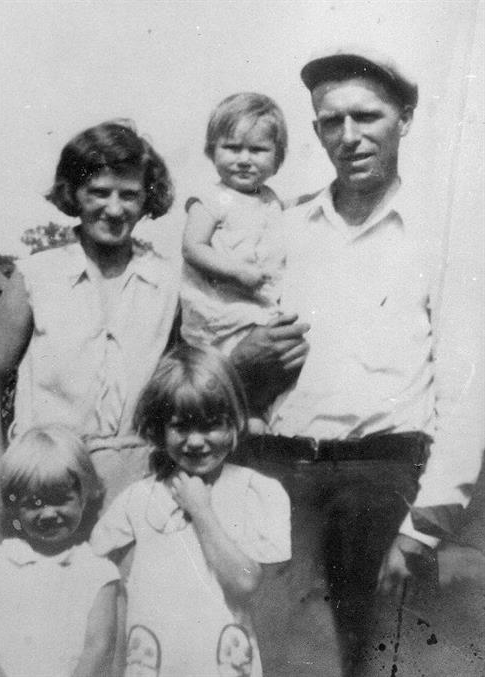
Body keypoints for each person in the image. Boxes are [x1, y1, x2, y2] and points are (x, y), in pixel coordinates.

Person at [237, 48, 484, 677]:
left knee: (376, 666)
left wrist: (422, 528)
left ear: (405, 119)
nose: (348, 136)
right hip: (280, 477)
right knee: (269, 661)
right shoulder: (285, 228)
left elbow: (467, 396)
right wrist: (241, 360)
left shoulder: (443, 236)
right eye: (331, 121)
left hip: (383, 482)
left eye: (367, 116)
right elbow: (227, 354)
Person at [0, 119, 178, 677]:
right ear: (73, 193)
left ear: (148, 198)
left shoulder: (168, 282)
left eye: (129, 193)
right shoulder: (37, 276)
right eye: (99, 191)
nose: (114, 208)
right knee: (12, 633)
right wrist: (4, 485)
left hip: (131, 487)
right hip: (39, 486)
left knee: (113, 640)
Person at [90, 345, 292, 677]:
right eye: (181, 427)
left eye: (211, 425)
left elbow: (246, 581)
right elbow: (117, 588)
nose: (195, 441)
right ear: (160, 428)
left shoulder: (255, 491)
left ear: (235, 422)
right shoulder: (139, 500)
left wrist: (201, 510)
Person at [0, 425, 119, 677]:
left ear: (84, 495)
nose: (48, 513)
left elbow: (98, 646)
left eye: (60, 499)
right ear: (14, 505)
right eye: (34, 503)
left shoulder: (97, 571)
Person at [180, 92, 288, 359]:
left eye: (257, 150)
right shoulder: (212, 198)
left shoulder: (269, 199)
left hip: (255, 307)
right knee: (220, 369)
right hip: (218, 313)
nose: (244, 159)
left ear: (277, 158)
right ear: (212, 150)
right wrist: (236, 271)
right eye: (232, 148)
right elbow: (193, 247)